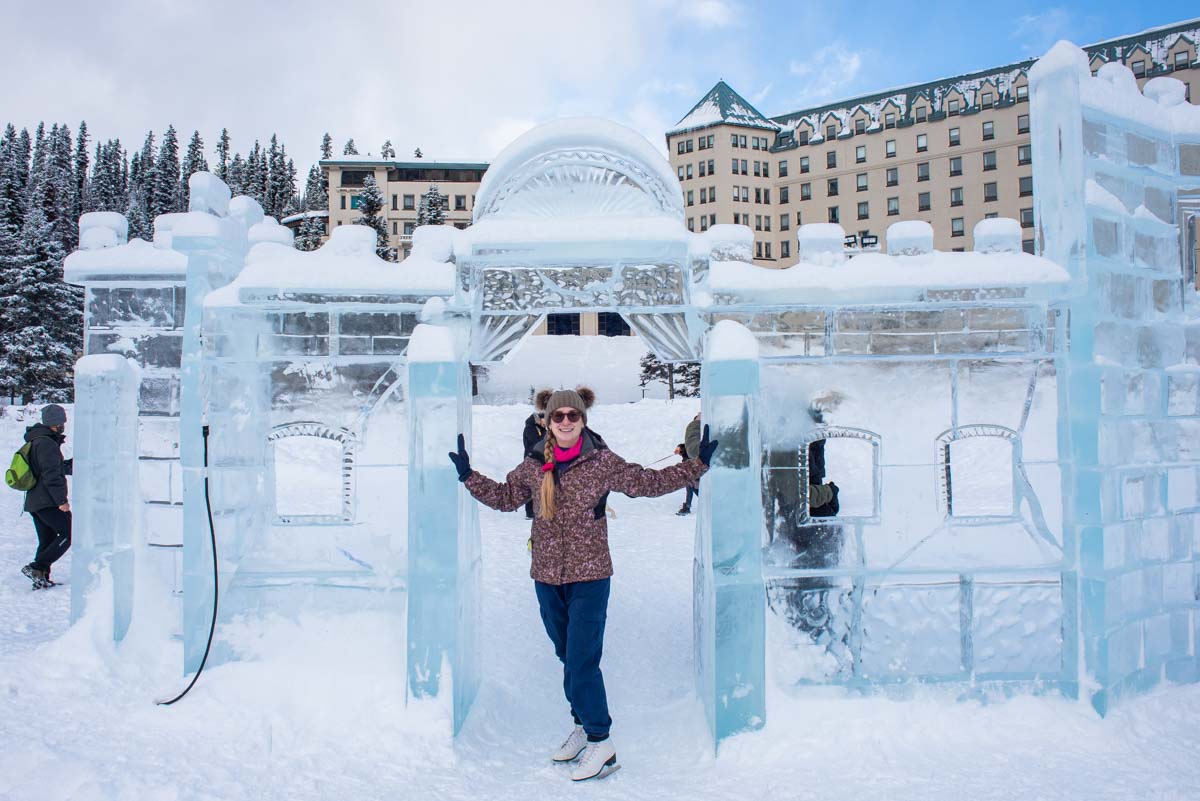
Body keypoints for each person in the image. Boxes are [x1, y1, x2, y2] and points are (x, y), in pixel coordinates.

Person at [448, 387, 718, 782]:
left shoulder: (601, 462)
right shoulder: (533, 464)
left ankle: (601, 741)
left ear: (583, 420)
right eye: (559, 417)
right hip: (546, 576)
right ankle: (581, 722)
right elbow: (507, 498)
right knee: (565, 655)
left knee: (581, 660)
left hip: (590, 576)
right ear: (548, 422)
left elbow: (647, 482)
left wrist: (696, 465)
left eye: (573, 416)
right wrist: (468, 476)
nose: (566, 423)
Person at [20, 404, 73, 590]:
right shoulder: (47, 443)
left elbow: (52, 468)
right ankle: (37, 567)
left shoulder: (38, 440)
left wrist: (74, 464)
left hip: (35, 500)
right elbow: (51, 475)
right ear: (55, 423)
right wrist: (62, 501)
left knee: (48, 539)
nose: (63, 425)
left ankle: (41, 578)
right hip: (47, 500)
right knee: (69, 532)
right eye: (61, 422)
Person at [521, 391, 550, 520]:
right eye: (545, 421)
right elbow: (535, 444)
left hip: (541, 461)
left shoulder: (542, 429)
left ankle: (539, 509)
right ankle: (529, 512)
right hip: (531, 460)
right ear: (540, 418)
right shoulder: (530, 428)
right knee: (530, 486)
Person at [674, 413, 702, 516]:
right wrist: (679, 448)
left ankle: (688, 507)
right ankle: (687, 506)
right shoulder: (688, 444)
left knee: (695, 489)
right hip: (689, 470)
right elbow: (683, 446)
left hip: (695, 469)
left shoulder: (696, 442)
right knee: (691, 488)